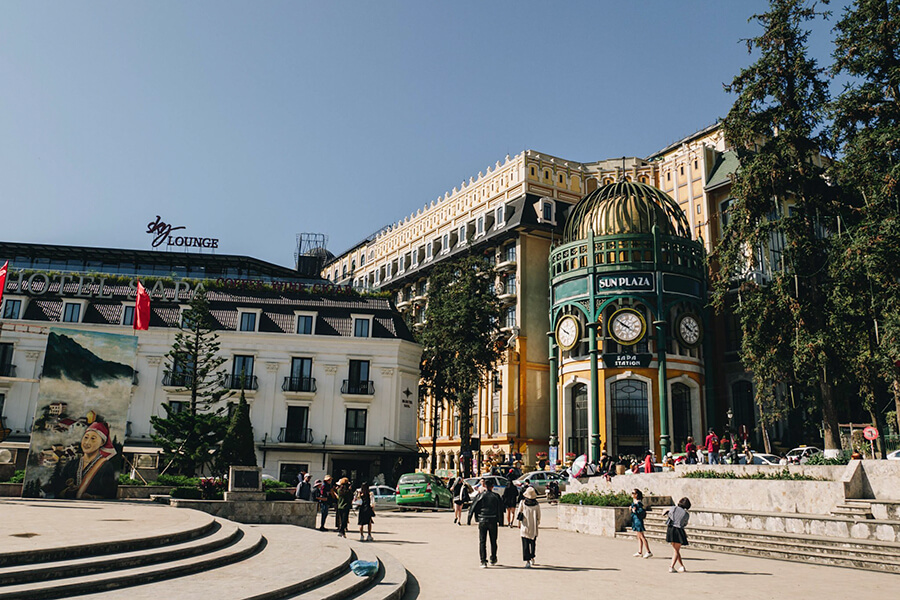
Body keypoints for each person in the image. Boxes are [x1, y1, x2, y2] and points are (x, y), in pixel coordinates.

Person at [58, 421, 117, 499]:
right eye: (86, 437)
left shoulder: (105, 466)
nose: (87, 442)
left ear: (102, 442)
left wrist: (92, 497)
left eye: (93, 439)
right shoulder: (72, 464)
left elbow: (109, 494)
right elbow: (58, 489)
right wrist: (68, 491)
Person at [467, 477, 503, 568]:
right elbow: (500, 509)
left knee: (482, 541)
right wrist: (501, 521)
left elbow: (473, 507)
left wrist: (469, 519)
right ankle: (493, 558)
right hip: (493, 520)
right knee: (493, 540)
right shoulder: (496, 496)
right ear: (492, 486)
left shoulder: (480, 496)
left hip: (482, 519)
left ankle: (483, 561)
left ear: (485, 486)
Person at [665, 497, 691, 573]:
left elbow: (670, 515)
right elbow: (684, 523)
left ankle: (682, 566)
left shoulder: (673, 508)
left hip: (671, 529)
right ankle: (671, 567)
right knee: (676, 550)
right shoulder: (686, 514)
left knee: (676, 550)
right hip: (679, 530)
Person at [516, 487, 541, 567]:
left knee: (525, 544)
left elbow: (519, 513)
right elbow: (538, 516)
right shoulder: (537, 504)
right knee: (533, 543)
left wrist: (518, 523)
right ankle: (532, 556)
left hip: (525, 525)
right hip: (533, 526)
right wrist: (537, 523)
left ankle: (527, 561)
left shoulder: (522, 502)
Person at [631, 489, 652, 558]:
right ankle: (640, 551)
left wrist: (634, 510)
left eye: (633, 493)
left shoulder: (638, 503)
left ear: (636, 495)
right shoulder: (635, 502)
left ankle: (648, 551)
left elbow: (640, 510)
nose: (632, 494)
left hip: (638, 520)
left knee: (642, 536)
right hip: (635, 520)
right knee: (639, 537)